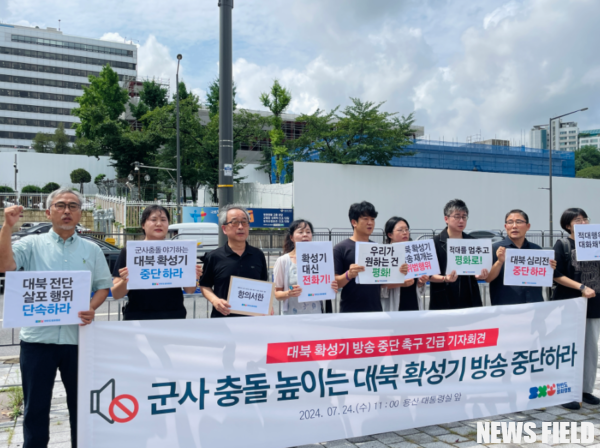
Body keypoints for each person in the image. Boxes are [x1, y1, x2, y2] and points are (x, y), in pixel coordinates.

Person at [0, 188, 112, 448]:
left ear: (80, 214)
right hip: (38, 340)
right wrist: (7, 226)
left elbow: (103, 286)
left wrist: (92, 307)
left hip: (77, 340)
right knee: (35, 408)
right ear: (49, 212)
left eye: (73, 206)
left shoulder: (92, 249)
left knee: (81, 407)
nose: (67, 211)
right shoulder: (31, 244)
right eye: (61, 206)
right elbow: (5, 266)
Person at [111, 205, 202, 320]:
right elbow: (116, 294)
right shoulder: (130, 251)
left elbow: (190, 290)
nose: (159, 224)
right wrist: (125, 281)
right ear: (143, 225)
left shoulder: (179, 251)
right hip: (137, 316)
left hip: (173, 316)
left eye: (163, 220)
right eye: (153, 220)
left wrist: (194, 276)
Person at [551, 208, 600, 410]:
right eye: (577, 220)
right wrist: (581, 287)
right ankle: (565, 390)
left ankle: (585, 389)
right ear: (567, 225)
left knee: (590, 348)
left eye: (585, 219)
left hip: (594, 303)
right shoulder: (562, 245)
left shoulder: (596, 242)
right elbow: (555, 274)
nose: (583, 223)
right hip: (569, 303)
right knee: (567, 348)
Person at [334, 201, 407, 313]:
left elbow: (381, 282)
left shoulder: (377, 249)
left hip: (375, 310)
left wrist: (399, 272)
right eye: (365, 219)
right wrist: (349, 275)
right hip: (350, 311)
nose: (370, 223)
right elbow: (334, 282)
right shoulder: (341, 248)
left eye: (372, 219)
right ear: (354, 222)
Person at [200, 205, 269, 318]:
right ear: (224, 229)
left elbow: (263, 286)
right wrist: (215, 300)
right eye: (235, 222)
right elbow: (204, 285)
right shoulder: (214, 256)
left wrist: (267, 306)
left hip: (253, 320)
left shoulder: (258, 255)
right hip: (223, 319)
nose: (241, 227)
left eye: (244, 222)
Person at [486, 209, 557, 305]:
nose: (514, 226)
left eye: (519, 222)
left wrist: (550, 267)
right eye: (510, 222)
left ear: (528, 226)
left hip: (534, 306)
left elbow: (546, 276)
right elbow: (488, 278)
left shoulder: (536, 249)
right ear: (505, 226)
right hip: (505, 307)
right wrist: (499, 262)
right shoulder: (495, 249)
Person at [429, 199, 489, 310]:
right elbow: (428, 274)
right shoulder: (435, 243)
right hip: (443, 297)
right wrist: (445, 278)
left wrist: (480, 276)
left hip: (470, 298)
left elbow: (478, 269)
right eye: (457, 217)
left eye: (464, 217)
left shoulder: (473, 242)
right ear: (446, 219)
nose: (461, 221)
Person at [274, 219, 338, 314]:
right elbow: (277, 293)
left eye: (308, 232)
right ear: (291, 237)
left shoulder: (321, 259)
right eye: (300, 232)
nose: (305, 235)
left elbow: (324, 286)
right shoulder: (283, 261)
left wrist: (331, 287)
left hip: (316, 315)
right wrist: (288, 293)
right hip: (292, 317)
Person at [381, 217, 429, 311]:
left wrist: (420, 282)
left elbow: (419, 288)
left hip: (414, 306)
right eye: (400, 230)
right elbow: (379, 288)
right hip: (394, 309)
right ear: (390, 234)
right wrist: (401, 283)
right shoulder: (383, 255)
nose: (405, 232)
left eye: (407, 229)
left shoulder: (414, 254)